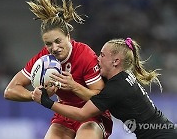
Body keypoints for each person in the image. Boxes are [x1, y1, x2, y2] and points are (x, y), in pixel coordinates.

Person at [4, 0, 112, 139]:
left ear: (68, 36)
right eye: (48, 44)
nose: (54, 48)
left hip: (91, 114)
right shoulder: (44, 58)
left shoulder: (84, 55)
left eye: (58, 41)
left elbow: (101, 98)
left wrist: (74, 86)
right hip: (65, 115)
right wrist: (36, 96)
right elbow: (9, 91)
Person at [32, 38, 177, 139]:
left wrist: (47, 102)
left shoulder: (116, 88)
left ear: (115, 61)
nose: (97, 58)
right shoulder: (121, 78)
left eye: (102, 55)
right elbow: (92, 95)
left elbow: (82, 114)